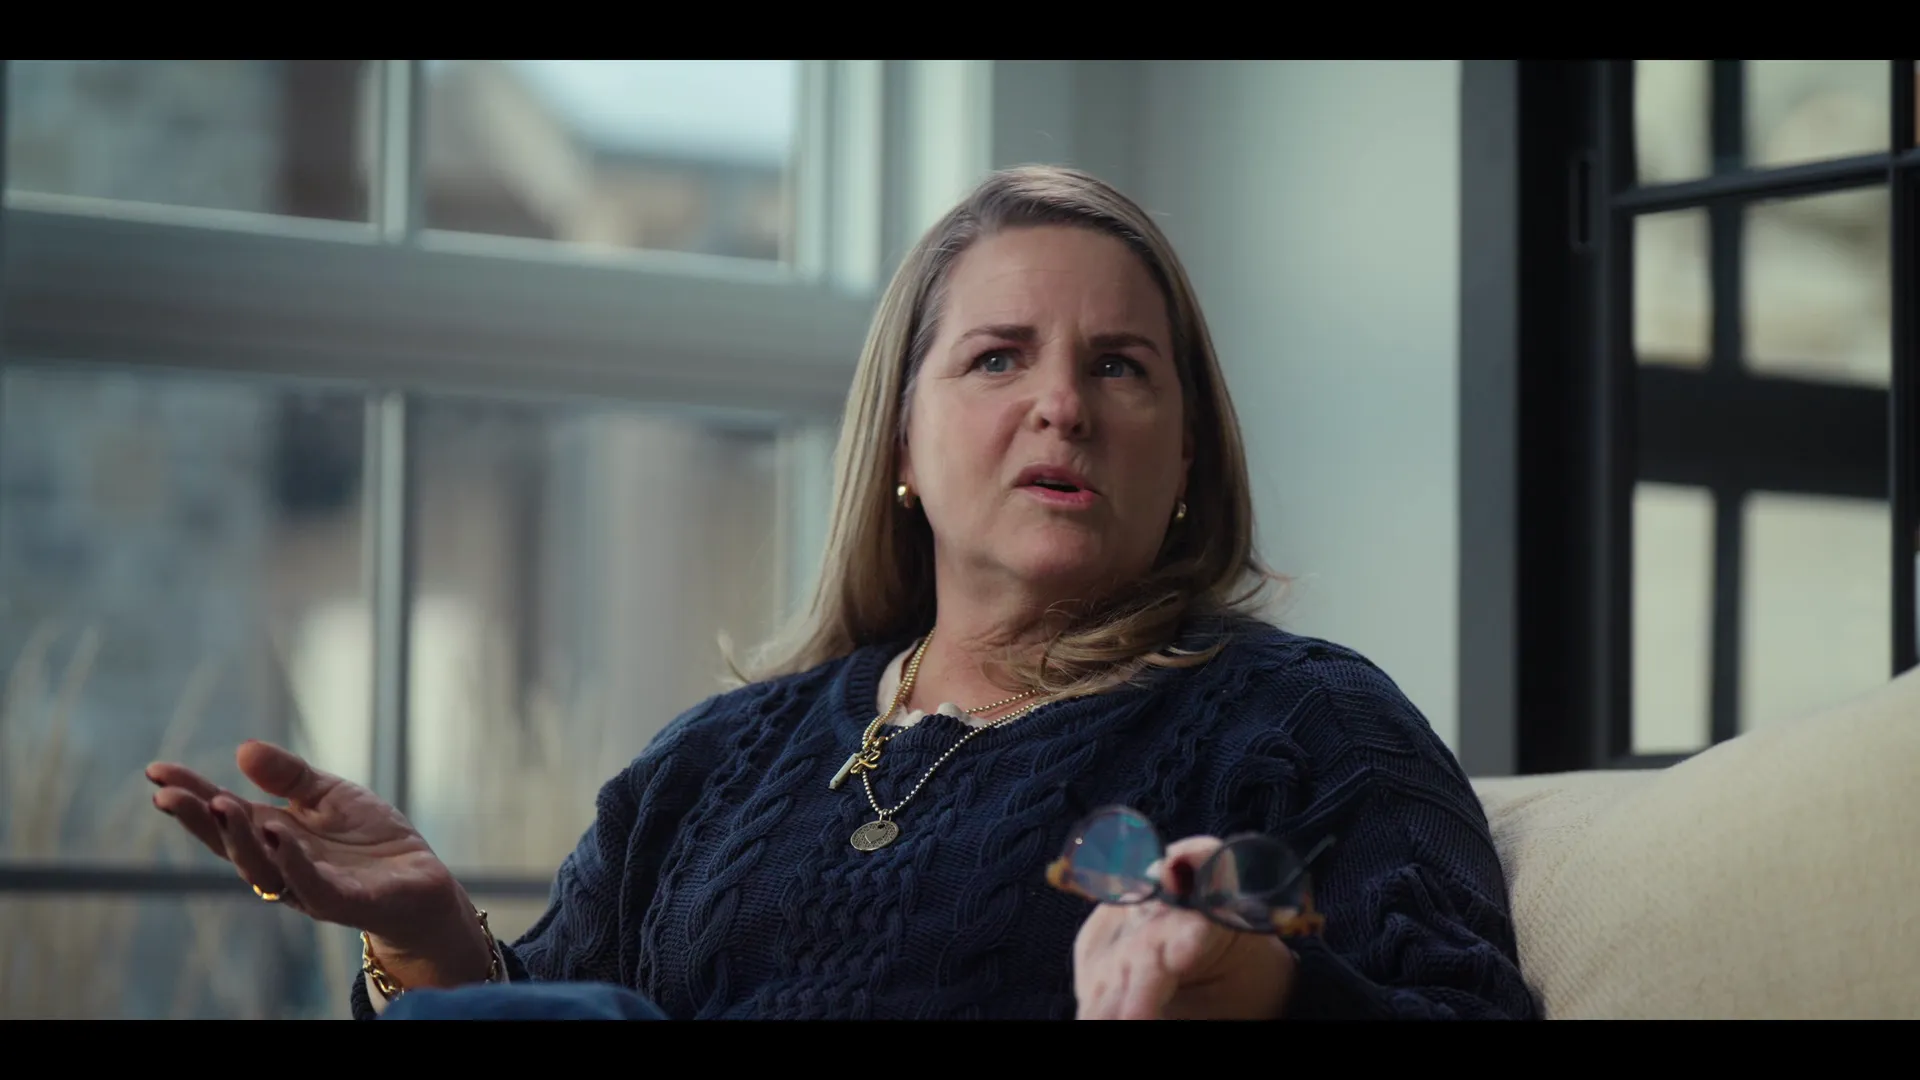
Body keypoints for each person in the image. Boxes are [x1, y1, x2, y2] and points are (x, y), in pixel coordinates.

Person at [147, 165, 1540, 1021]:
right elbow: (540, 1007)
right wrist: (426, 937)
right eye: (998, 358)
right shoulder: (714, 762)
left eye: (1121, 366)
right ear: (902, 447)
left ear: (1186, 455)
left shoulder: (1305, 722)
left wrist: (1263, 993)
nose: (1062, 404)